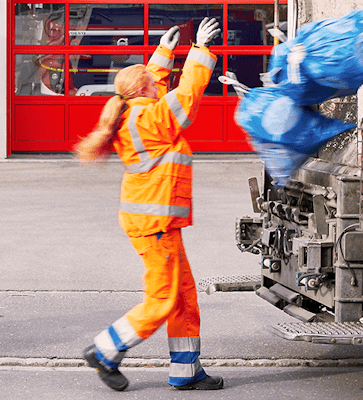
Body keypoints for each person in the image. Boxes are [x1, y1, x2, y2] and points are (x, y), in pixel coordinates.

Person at [74, 17, 223, 392]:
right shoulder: (153, 117)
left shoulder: (133, 112)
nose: (160, 85)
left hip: (153, 222)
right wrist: (200, 50)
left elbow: (149, 83)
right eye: (154, 82)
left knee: (184, 296)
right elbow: (187, 94)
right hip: (154, 224)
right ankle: (105, 350)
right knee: (162, 299)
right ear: (145, 88)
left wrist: (164, 51)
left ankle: (186, 372)